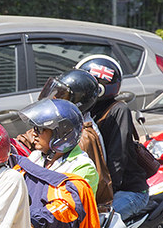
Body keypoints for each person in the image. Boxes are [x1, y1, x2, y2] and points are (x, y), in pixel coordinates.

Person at [77, 55, 151, 218]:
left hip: (128, 191)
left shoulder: (118, 111)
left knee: (98, 227)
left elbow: (117, 159)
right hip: (100, 190)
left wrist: (105, 197)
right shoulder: (86, 111)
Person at [36, 68, 112, 204]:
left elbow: (72, 199)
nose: (54, 98)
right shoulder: (59, 131)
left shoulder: (79, 137)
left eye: (61, 96)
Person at [19, 99, 99, 193]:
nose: (34, 134)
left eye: (40, 129)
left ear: (61, 133)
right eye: (34, 128)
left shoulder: (82, 167)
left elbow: (69, 203)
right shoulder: (36, 157)